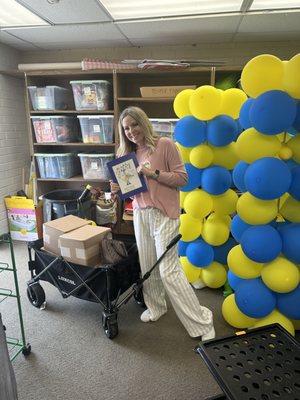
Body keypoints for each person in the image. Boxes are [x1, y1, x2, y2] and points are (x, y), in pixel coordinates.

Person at [110, 106, 215, 340]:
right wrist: (117, 190)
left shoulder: (164, 145)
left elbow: (183, 179)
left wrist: (153, 173)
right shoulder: (125, 155)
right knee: (148, 266)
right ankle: (157, 306)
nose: (131, 131)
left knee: (169, 271)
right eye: (126, 128)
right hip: (140, 215)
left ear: (143, 122)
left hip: (165, 214)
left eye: (134, 124)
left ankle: (202, 323)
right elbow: (130, 193)